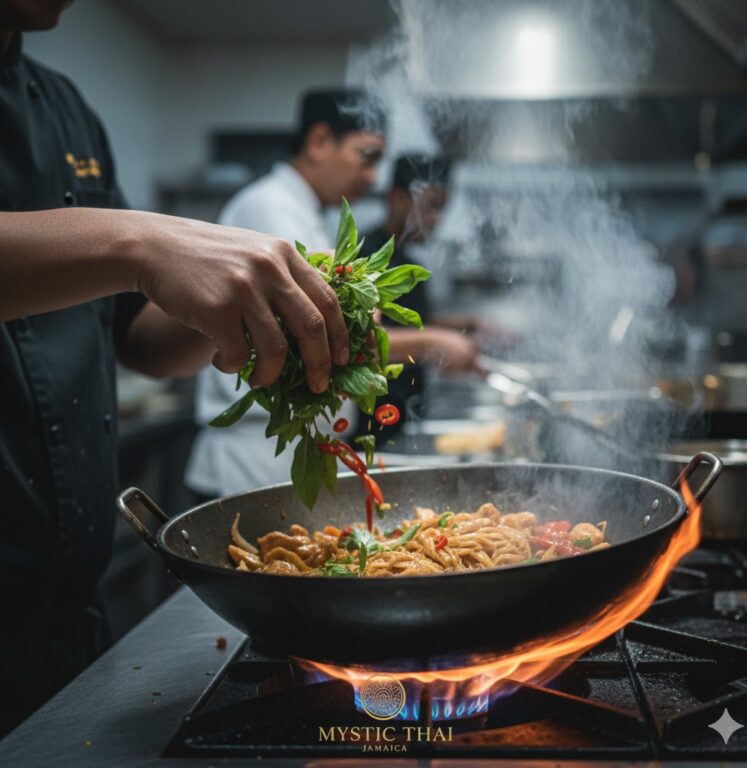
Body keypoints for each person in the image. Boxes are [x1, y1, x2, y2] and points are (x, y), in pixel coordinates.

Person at [0, 3, 349, 735]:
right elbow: (132, 258)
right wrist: (143, 242)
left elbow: (141, 337)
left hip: (62, 618)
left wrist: (247, 318)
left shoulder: (63, 106)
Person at [186, 88, 386, 498]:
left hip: (277, 462)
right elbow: (309, 329)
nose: (373, 176)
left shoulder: (306, 212)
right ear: (318, 142)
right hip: (249, 465)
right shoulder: (268, 207)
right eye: (366, 156)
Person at [359, 153, 480, 435]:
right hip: (373, 423)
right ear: (397, 198)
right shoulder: (365, 255)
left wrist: (469, 325)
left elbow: (407, 322)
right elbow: (361, 342)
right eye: (431, 206)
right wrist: (434, 341)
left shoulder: (406, 258)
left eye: (442, 209)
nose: (437, 219)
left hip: (406, 417)